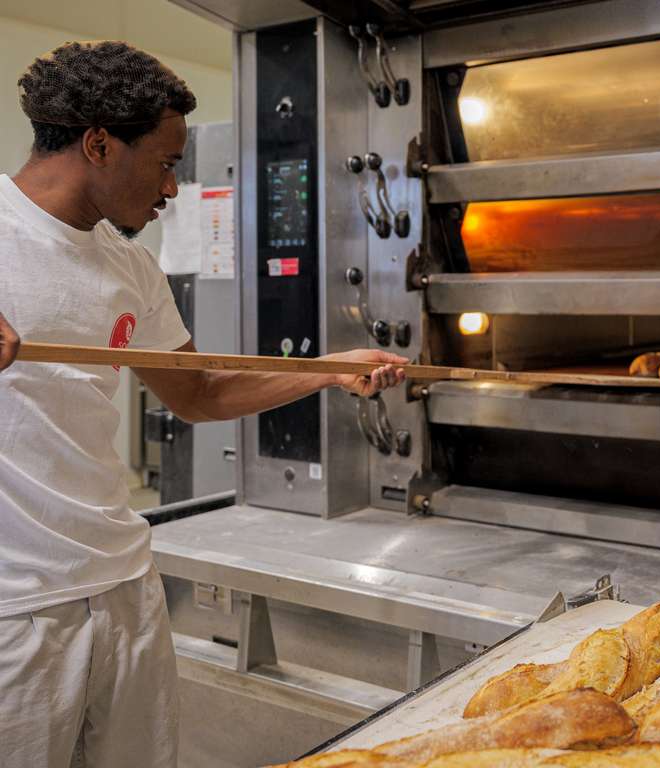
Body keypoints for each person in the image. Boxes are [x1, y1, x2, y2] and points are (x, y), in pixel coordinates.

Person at [0, 41, 406, 768]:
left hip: (124, 587)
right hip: (16, 612)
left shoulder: (130, 265)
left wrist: (328, 371)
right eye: (164, 164)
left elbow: (201, 393)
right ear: (98, 144)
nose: (174, 189)